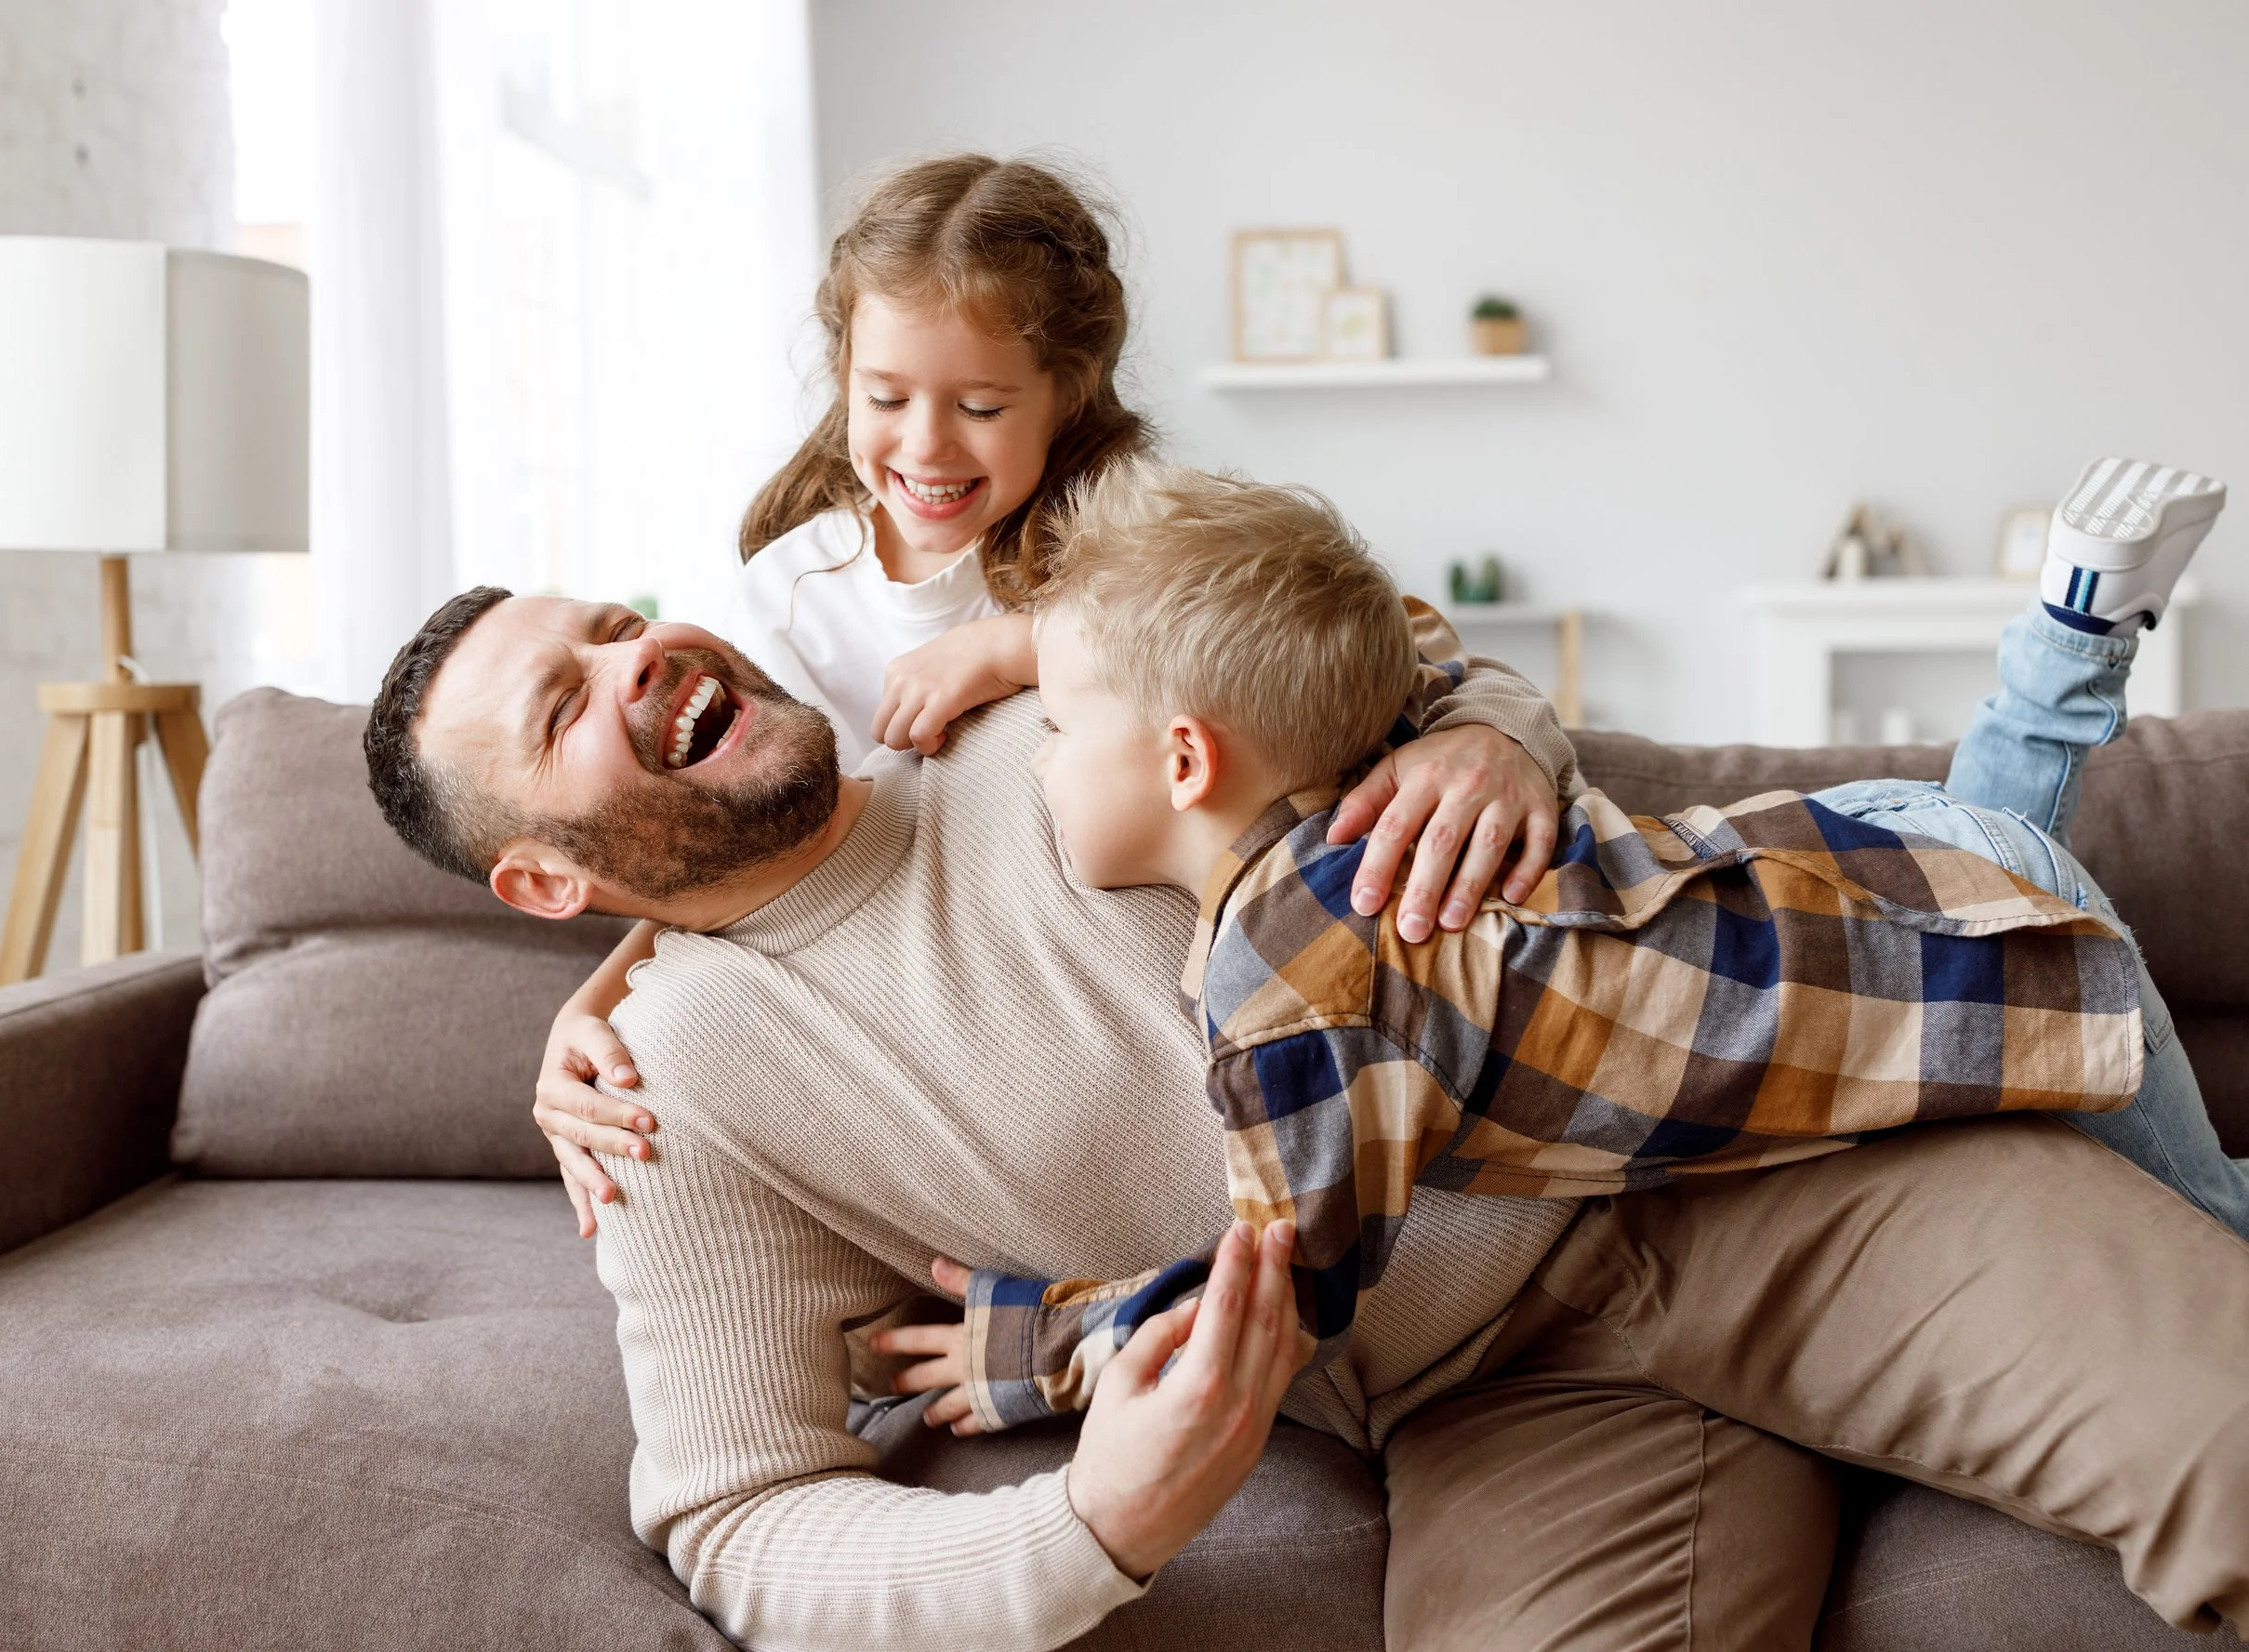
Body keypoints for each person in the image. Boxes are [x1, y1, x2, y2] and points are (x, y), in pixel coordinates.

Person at [362, 477, 2248, 1650]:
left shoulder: (1027, 690)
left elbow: (1370, 636)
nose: (636, 659)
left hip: (1761, 1166)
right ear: (539, 876)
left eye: (613, 621)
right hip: (1493, 1413)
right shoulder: (663, 1093)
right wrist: (1091, 1521)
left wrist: (1487, 731)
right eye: (565, 705)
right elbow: (738, 1520)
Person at [853, 459, 2245, 1436]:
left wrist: (1053, 1348)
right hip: (1884, 853)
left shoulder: (1293, 990)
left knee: (2216, 1231)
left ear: (1182, 755)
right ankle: (2074, 620)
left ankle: (2075, 631)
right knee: (1990, 842)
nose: (1036, 768)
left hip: (1942, 943)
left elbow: (1285, 1298)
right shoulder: (1362, 792)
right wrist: (1019, 649)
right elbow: (1364, 631)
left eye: (1055, 731)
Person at [536, 153, 1573, 1235]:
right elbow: (726, 850)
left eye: (981, 406)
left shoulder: (1126, 534)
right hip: (948, 1016)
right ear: (842, 371)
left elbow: (1386, 643)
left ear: (1066, 391)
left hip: (1180, 984)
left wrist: (1018, 645)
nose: (927, 446)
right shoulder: (793, 595)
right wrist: (591, 1001)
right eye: (885, 397)